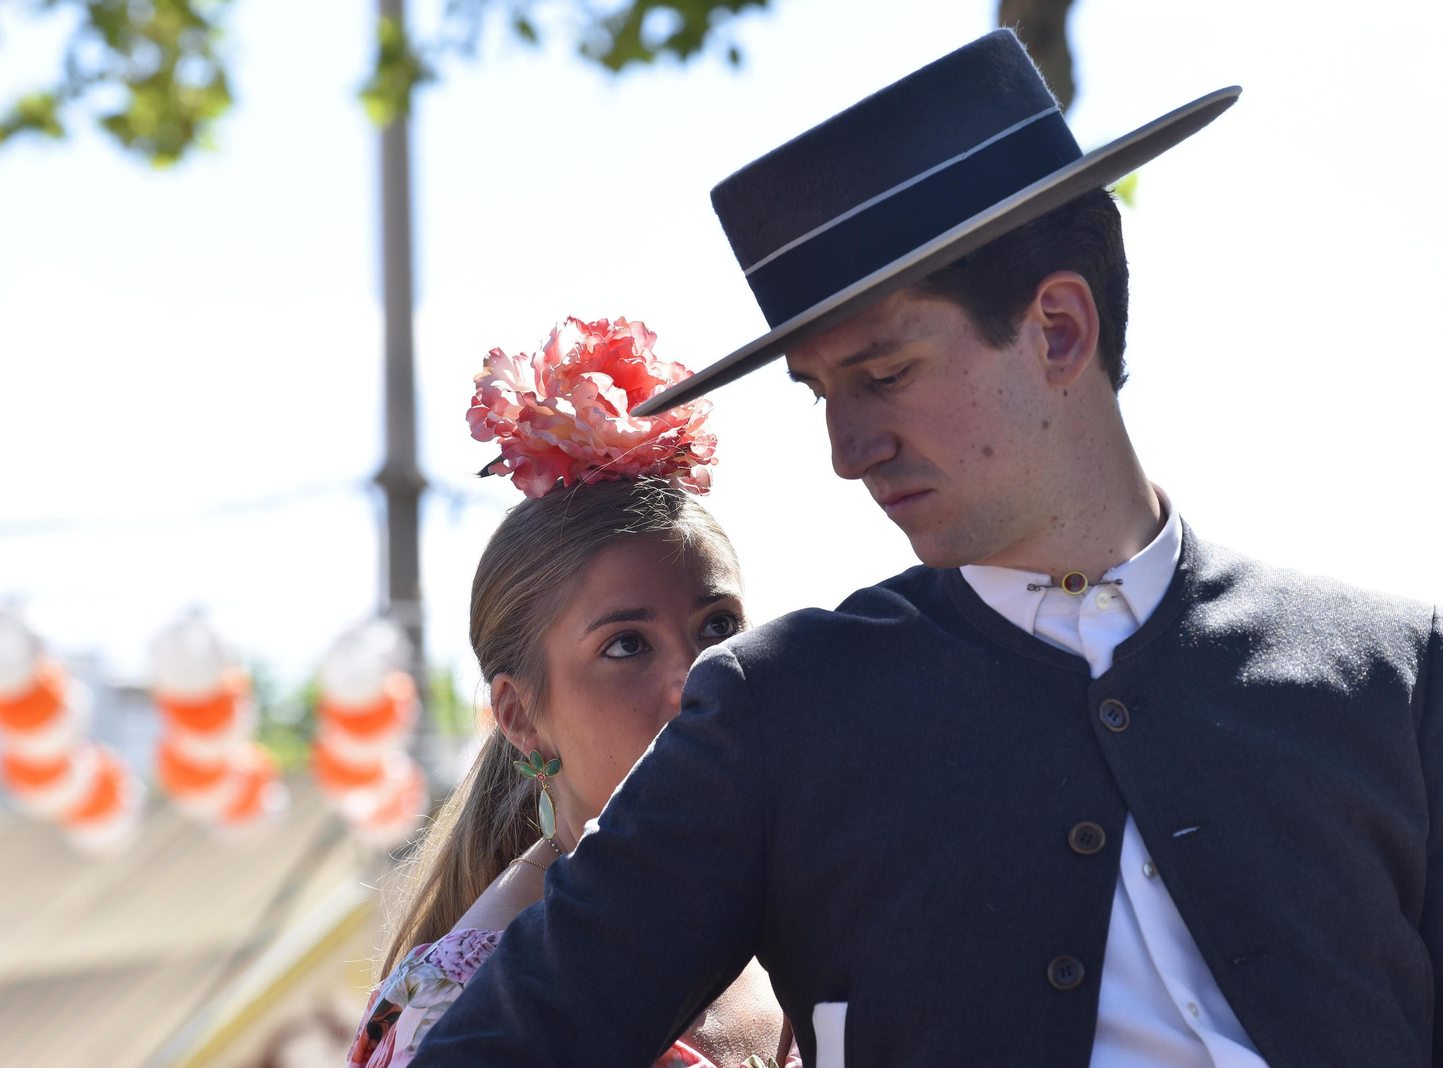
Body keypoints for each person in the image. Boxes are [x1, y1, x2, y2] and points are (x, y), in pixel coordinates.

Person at [403, 29, 1443, 1068]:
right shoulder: (773, 711)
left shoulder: (1396, 675)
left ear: (1058, 331)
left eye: (884, 375)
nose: (846, 452)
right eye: (819, 393)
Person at [345, 316, 796, 1068]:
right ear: (520, 716)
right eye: (625, 644)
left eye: (718, 628)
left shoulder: (807, 924)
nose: (701, 678)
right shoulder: (466, 1008)